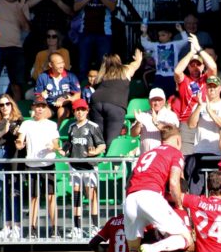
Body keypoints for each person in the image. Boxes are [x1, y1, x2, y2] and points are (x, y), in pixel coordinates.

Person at [123, 125, 194, 252]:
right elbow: (174, 183)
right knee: (185, 237)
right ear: (178, 140)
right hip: (151, 196)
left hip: (131, 198)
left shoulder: (147, 154)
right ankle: (152, 249)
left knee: (133, 249)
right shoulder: (175, 153)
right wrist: (179, 205)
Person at [59, 98, 106, 239]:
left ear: (87, 111)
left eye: (82, 110)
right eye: (77, 110)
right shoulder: (72, 127)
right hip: (75, 166)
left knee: (92, 196)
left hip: (89, 166)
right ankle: (77, 228)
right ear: (73, 112)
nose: (79, 112)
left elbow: (102, 144)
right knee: (76, 197)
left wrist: (95, 152)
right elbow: (68, 143)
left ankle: (95, 226)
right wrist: (62, 150)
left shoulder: (93, 126)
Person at [15, 96, 60, 239]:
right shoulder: (26, 124)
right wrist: (19, 144)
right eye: (37, 106)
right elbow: (19, 141)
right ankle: (32, 229)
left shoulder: (51, 124)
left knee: (51, 197)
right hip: (32, 164)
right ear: (33, 108)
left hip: (48, 164)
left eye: (42, 106)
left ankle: (55, 228)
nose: (40, 109)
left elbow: (56, 144)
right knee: (34, 197)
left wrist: (52, 146)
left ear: (46, 108)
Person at [0, 94, 24, 240]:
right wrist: (3, 131)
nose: (5, 107)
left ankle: (17, 226)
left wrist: (15, 134)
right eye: (1, 105)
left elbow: (21, 136)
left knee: (14, 191)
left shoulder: (18, 119)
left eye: (7, 104)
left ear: (11, 104)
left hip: (12, 155)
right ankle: (6, 225)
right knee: (2, 191)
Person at [185, 75, 221, 195]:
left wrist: (210, 112)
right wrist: (200, 106)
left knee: (216, 189)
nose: (212, 89)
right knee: (196, 190)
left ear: (220, 88)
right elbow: (191, 124)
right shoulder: (199, 105)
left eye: (214, 87)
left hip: (219, 152)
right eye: (209, 86)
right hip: (200, 151)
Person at [174, 35, 218, 155]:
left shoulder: (207, 78)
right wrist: (191, 53)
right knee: (187, 158)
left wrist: (198, 48)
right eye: (192, 65)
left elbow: (213, 67)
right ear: (188, 67)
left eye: (198, 64)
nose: (195, 67)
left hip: (205, 121)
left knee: (205, 157)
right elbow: (177, 71)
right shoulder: (184, 80)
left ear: (203, 66)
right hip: (187, 123)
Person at [90, 49, 143, 146]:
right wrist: (138, 59)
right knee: (112, 140)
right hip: (115, 103)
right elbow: (135, 65)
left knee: (98, 140)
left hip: (96, 102)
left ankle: (98, 155)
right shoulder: (125, 70)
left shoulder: (101, 74)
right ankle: (111, 155)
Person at [0, 0, 30, 102]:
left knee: (16, 85)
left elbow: (26, 28)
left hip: (15, 48)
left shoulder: (21, 5)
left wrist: (20, 9)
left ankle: (17, 110)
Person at [72, 0, 117, 79]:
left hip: (104, 33)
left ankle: (104, 86)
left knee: (104, 66)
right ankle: (82, 85)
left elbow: (112, 7)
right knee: (83, 66)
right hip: (85, 32)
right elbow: (76, 7)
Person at [140, 23, 188, 98]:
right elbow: (145, 44)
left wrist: (181, 30)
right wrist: (144, 32)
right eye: (159, 36)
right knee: (156, 96)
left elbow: (185, 41)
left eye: (163, 35)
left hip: (172, 76)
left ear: (170, 35)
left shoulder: (175, 44)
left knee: (172, 97)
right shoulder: (156, 45)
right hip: (159, 76)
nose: (160, 37)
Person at [34, 52, 81, 124]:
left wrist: (66, 100)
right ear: (50, 65)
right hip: (49, 106)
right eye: (59, 63)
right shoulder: (43, 77)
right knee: (41, 114)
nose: (62, 65)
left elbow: (78, 95)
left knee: (61, 111)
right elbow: (38, 96)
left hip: (66, 106)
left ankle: (57, 130)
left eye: (62, 62)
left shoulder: (70, 76)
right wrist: (41, 96)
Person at [130, 87, 179, 154]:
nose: (157, 103)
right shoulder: (143, 115)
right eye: (154, 100)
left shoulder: (171, 115)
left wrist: (156, 123)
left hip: (164, 155)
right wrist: (138, 123)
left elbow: (172, 132)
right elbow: (133, 134)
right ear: (149, 101)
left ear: (164, 100)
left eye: (159, 100)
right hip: (147, 155)